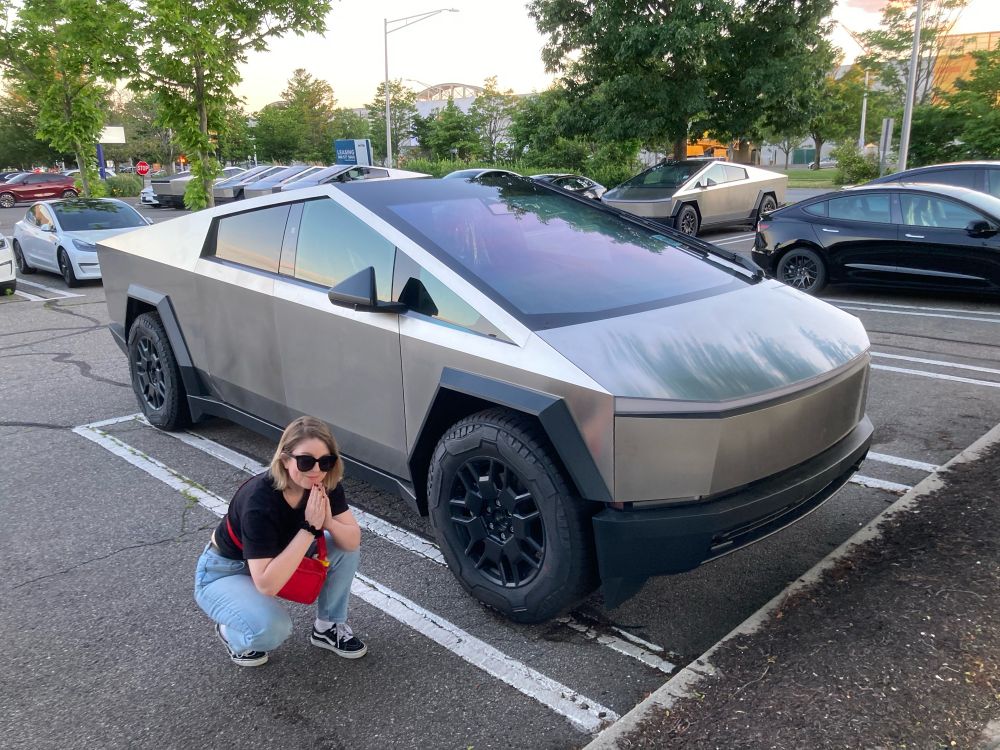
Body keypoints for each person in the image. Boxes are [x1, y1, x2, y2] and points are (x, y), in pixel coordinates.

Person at [194, 416, 366, 667]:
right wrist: (309, 528)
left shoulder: (323, 483)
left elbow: (352, 542)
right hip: (225, 571)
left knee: (342, 543)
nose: (316, 470)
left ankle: (327, 627)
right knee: (272, 630)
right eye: (306, 461)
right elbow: (267, 584)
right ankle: (231, 632)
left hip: (276, 555)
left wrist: (327, 521)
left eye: (326, 461)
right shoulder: (260, 501)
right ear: (285, 460)